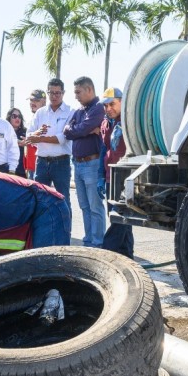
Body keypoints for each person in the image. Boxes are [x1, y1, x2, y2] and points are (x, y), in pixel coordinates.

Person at [64, 76, 105, 247]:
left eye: (78, 92)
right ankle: (88, 241)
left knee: (95, 207)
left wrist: (79, 130)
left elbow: (79, 129)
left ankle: (97, 243)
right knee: (84, 206)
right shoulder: (79, 111)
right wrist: (83, 130)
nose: (76, 96)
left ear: (89, 90)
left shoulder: (98, 108)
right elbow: (67, 130)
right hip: (78, 165)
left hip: (92, 164)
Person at [26, 78, 73, 215]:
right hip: (41, 162)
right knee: (40, 199)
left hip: (61, 162)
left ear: (63, 93)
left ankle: (65, 233)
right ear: (47, 93)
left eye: (57, 93)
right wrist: (35, 134)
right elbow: (29, 135)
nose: (54, 96)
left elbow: (63, 138)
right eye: (51, 93)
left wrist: (39, 138)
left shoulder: (70, 111)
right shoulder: (41, 113)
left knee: (62, 199)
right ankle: (43, 232)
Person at [97, 87, 134, 258]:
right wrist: (100, 176)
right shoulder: (105, 123)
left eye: (112, 104)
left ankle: (107, 254)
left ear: (121, 102)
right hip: (110, 176)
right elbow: (104, 151)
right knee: (120, 221)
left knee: (121, 218)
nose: (108, 108)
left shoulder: (130, 121)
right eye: (105, 106)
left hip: (125, 175)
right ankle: (128, 258)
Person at [23, 89, 46, 179]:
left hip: (40, 166)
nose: (32, 103)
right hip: (30, 166)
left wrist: (31, 137)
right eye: (31, 100)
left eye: (36, 100)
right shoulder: (31, 120)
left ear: (44, 101)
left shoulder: (46, 117)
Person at [6, 107, 27, 177]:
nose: (17, 118)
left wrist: (27, 143)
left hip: (23, 171)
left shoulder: (26, 132)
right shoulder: (4, 132)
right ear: (9, 118)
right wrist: (16, 142)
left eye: (19, 116)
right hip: (7, 170)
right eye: (14, 116)